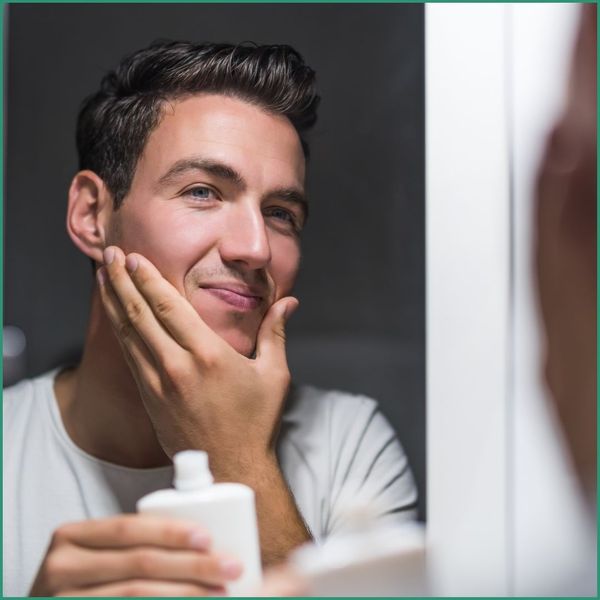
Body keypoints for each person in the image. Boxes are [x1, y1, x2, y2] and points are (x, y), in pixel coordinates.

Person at [3, 41, 417, 596]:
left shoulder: (347, 445)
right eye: (202, 192)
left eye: (280, 213)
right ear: (92, 215)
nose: (256, 248)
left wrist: (239, 459)